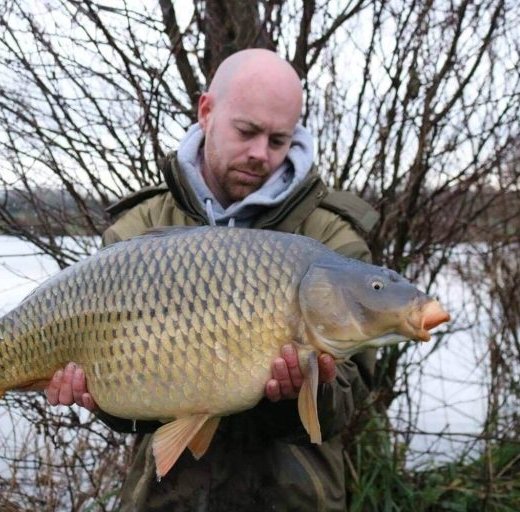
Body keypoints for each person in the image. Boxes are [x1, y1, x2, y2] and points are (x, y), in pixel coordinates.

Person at [46, 48, 379, 511]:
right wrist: (98, 397)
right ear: (207, 111)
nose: (261, 154)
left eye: (279, 139)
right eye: (247, 132)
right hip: (167, 498)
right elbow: (128, 408)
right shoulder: (137, 228)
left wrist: (298, 394)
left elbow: (352, 395)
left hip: (293, 500)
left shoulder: (330, 237)